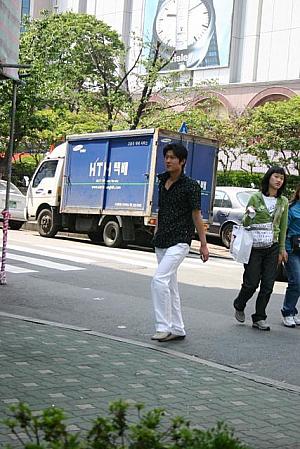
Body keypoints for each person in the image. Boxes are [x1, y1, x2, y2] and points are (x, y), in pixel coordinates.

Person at [151, 142, 209, 342]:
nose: (168, 160)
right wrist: (156, 231)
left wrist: (203, 244)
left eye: (172, 157)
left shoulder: (191, 186)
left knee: (159, 280)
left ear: (182, 161)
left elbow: (196, 215)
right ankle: (178, 328)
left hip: (180, 240)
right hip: (162, 240)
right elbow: (161, 210)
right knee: (170, 285)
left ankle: (163, 326)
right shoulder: (162, 181)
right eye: (166, 156)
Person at [233, 166, 288, 331]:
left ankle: (259, 317)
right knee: (251, 283)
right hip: (254, 246)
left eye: (281, 178)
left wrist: (282, 249)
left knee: (268, 284)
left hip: (272, 246)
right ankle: (239, 303)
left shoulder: (283, 201)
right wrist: (249, 214)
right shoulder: (256, 198)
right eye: (276, 176)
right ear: (269, 178)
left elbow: (283, 226)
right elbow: (245, 223)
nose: (278, 180)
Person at [281, 185, 300, 327]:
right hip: (292, 250)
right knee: (296, 281)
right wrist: (283, 250)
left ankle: (292, 311)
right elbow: (284, 230)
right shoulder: (292, 208)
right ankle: (287, 312)